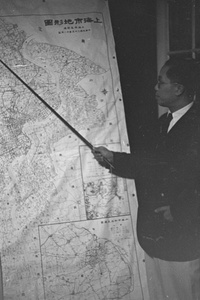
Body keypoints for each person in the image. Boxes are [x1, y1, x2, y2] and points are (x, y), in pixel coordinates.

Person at [93, 58, 200, 300]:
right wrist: (112, 159)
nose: (155, 87)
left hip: (184, 235)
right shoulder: (164, 123)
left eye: (160, 82)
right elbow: (149, 164)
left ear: (179, 88)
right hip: (157, 235)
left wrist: (180, 211)